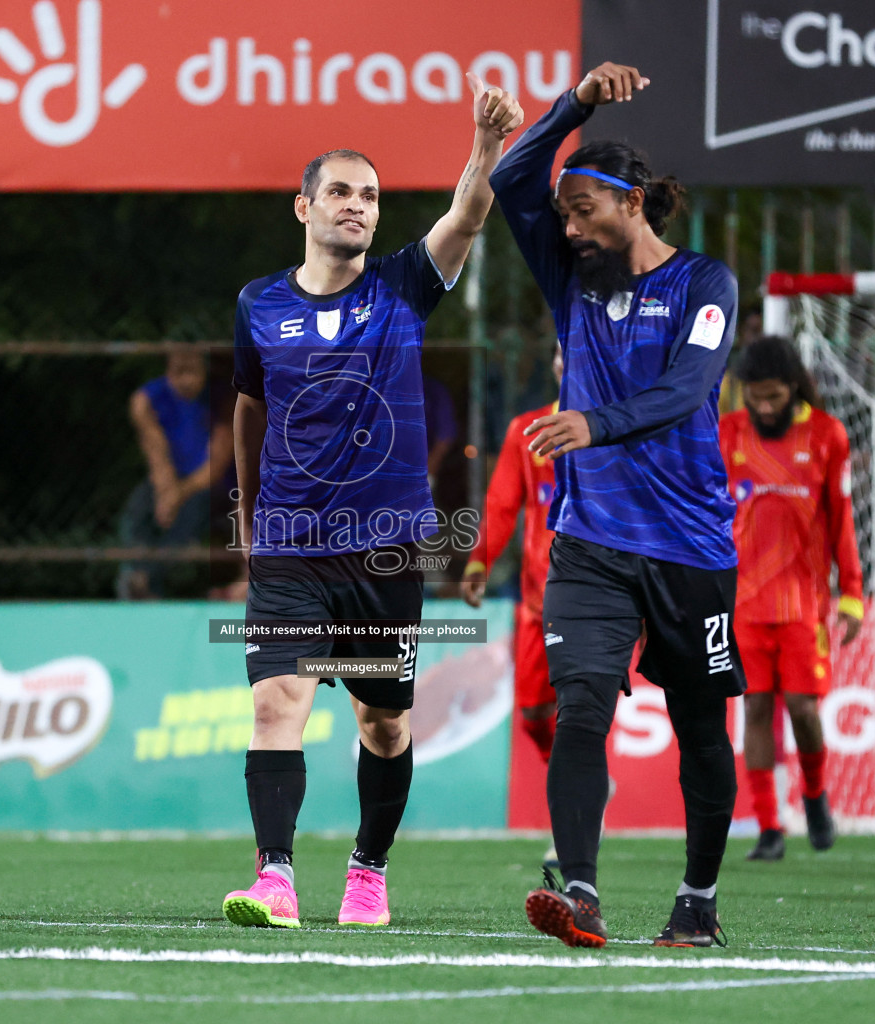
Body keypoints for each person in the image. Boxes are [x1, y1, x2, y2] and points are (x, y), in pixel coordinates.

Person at [226, 75, 523, 930]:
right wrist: (249, 511)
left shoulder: (401, 287)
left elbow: (466, 217)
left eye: (372, 197)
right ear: (304, 208)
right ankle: (274, 876)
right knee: (278, 699)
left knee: (383, 724)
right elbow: (250, 405)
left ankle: (367, 870)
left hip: (386, 549)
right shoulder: (259, 303)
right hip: (289, 543)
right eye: (343, 193)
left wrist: (484, 146)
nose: (359, 207)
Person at [491, 60, 743, 950]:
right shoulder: (572, 277)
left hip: (689, 548)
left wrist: (595, 425)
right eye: (562, 216)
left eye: (582, 209)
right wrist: (577, 106)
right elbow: (508, 177)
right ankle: (582, 892)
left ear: (632, 201)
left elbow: (686, 391)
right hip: (590, 544)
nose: (565, 226)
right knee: (583, 706)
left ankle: (698, 899)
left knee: (701, 729)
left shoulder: (706, 285)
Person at [720, 336, 862, 861]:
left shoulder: (827, 436)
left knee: (803, 709)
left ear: (794, 388)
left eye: (773, 397)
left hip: (803, 604)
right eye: (754, 397)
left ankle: (815, 794)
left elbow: (842, 521)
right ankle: (768, 826)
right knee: (754, 707)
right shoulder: (727, 433)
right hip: (744, 602)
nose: (763, 406)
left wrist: (852, 597)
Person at [462, 345, 563, 763]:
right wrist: (479, 559)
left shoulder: (623, 430)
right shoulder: (528, 430)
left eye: (573, 351)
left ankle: (582, 796)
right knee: (535, 716)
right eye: (557, 353)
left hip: (599, 602)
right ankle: (572, 782)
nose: (563, 361)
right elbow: (502, 503)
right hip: (540, 601)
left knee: (584, 713)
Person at [118, 348, 232, 599]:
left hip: (210, 485)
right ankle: (134, 584)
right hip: (167, 481)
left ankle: (146, 580)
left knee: (188, 519)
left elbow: (217, 465)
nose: (185, 380)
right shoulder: (147, 399)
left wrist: (177, 495)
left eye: (192, 372)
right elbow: (157, 454)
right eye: (177, 372)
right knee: (137, 514)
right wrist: (166, 491)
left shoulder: (224, 399)